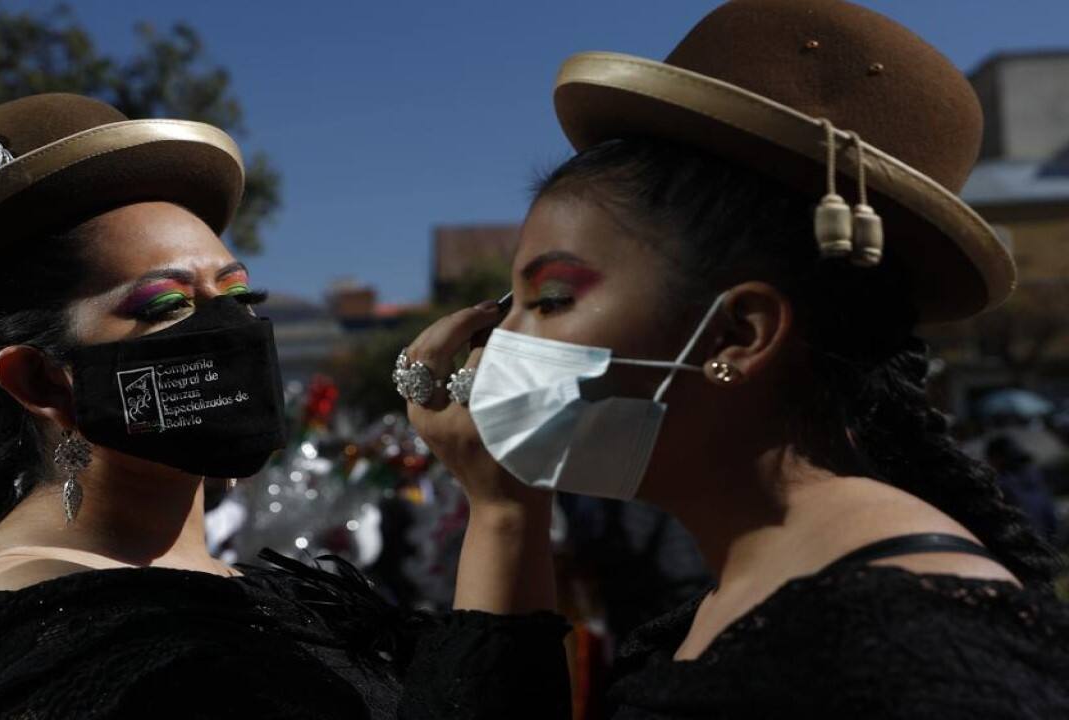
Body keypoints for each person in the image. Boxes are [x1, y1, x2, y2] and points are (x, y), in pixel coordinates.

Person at [397, 1, 1069, 716]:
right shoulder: (745, 599)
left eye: (553, 299)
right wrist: (506, 509)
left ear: (738, 335)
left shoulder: (923, 656)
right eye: (511, 306)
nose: (501, 343)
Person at [0, 94, 569, 718]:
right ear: (42, 382)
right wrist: (502, 512)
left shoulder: (233, 588)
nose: (229, 332)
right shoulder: (35, 645)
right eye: (167, 306)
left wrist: (510, 499)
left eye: (239, 299)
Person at [987, 434, 1059, 541]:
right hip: (1046, 543)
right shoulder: (1036, 476)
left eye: (990, 459)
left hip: (1022, 545)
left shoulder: (1002, 485)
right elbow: (1050, 517)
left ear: (998, 458)